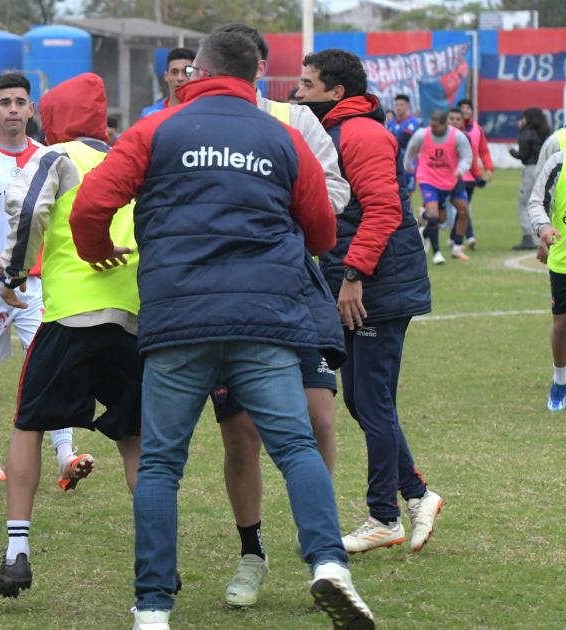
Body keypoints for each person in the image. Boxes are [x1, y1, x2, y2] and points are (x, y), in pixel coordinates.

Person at [73, 32, 373, 629]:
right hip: (264, 325)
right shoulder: (283, 136)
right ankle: (330, 565)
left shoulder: (156, 129)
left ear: (196, 73)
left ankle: (154, 606)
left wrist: (99, 251)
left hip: (178, 321)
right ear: (255, 78)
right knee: (294, 448)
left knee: (160, 466)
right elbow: (320, 232)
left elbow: (90, 206)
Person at [202, 21, 351, 610]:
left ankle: (322, 548)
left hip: (292, 289)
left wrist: (280, 206)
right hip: (224, 297)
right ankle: (251, 552)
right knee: (241, 436)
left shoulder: (295, 122)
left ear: (261, 69)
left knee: (318, 417)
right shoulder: (194, 123)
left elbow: (335, 193)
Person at [0, 72, 142, 599]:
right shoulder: (128, 157)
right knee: (134, 438)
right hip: (131, 314)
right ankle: (155, 557)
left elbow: (27, 210)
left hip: (70, 314)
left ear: (49, 117)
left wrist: (12, 275)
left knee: (28, 425)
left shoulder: (55, 157)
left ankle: (16, 554)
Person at [298, 48, 444, 560]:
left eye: (307, 84)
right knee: (361, 400)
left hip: (376, 284)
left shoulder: (361, 134)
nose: (298, 92)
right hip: (354, 280)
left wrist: (355, 275)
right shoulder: (334, 131)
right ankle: (419, 495)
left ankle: (384, 516)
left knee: (373, 402)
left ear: (336, 92)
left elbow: (382, 211)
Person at [0, 71, 81, 483]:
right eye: (4, 102)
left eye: (19, 102)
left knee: (52, 363)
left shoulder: (50, 158)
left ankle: (65, 455)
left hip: (35, 284)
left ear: (31, 109)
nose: (12, 109)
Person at [525, 127, 566, 409]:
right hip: (563, 259)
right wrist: (543, 228)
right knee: (562, 324)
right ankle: (560, 381)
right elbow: (537, 201)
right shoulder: (558, 160)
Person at [404, 109, 473, 264]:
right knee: (435, 214)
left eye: (435, 126)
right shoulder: (422, 134)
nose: (432, 129)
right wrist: (407, 166)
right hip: (428, 179)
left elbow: (467, 156)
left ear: (444, 124)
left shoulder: (457, 137)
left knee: (461, 210)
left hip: (452, 178)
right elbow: (411, 151)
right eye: (431, 125)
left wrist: (461, 169)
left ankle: (456, 247)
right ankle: (437, 254)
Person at [510, 108, 552, 250]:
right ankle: (544, 232)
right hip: (546, 169)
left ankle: (529, 236)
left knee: (525, 203)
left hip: (530, 170)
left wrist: (512, 152)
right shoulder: (546, 133)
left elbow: (524, 155)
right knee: (543, 202)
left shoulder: (526, 133)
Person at [457, 98, 493, 249]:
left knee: (463, 207)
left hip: (470, 177)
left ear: (472, 111)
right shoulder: (451, 130)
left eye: (468, 108)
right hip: (453, 176)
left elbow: (483, 151)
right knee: (460, 208)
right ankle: (463, 237)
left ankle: (462, 238)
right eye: (462, 108)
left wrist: (489, 168)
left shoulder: (477, 129)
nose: (465, 110)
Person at [140, 47, 194, 117]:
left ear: (195, 75)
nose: (180, 78)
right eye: (174, 72)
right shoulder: (150, 115)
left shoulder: (203, 112)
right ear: (166, 76)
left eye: (186, 72)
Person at [386, 94, 420, 193]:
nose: (398, 107)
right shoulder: (390, 123)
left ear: (408, 106)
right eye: (396, 105)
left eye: (401, 105)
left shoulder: (413, 122)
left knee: (407, 195)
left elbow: (403, 141)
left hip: (408, 164)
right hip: (392, 165)